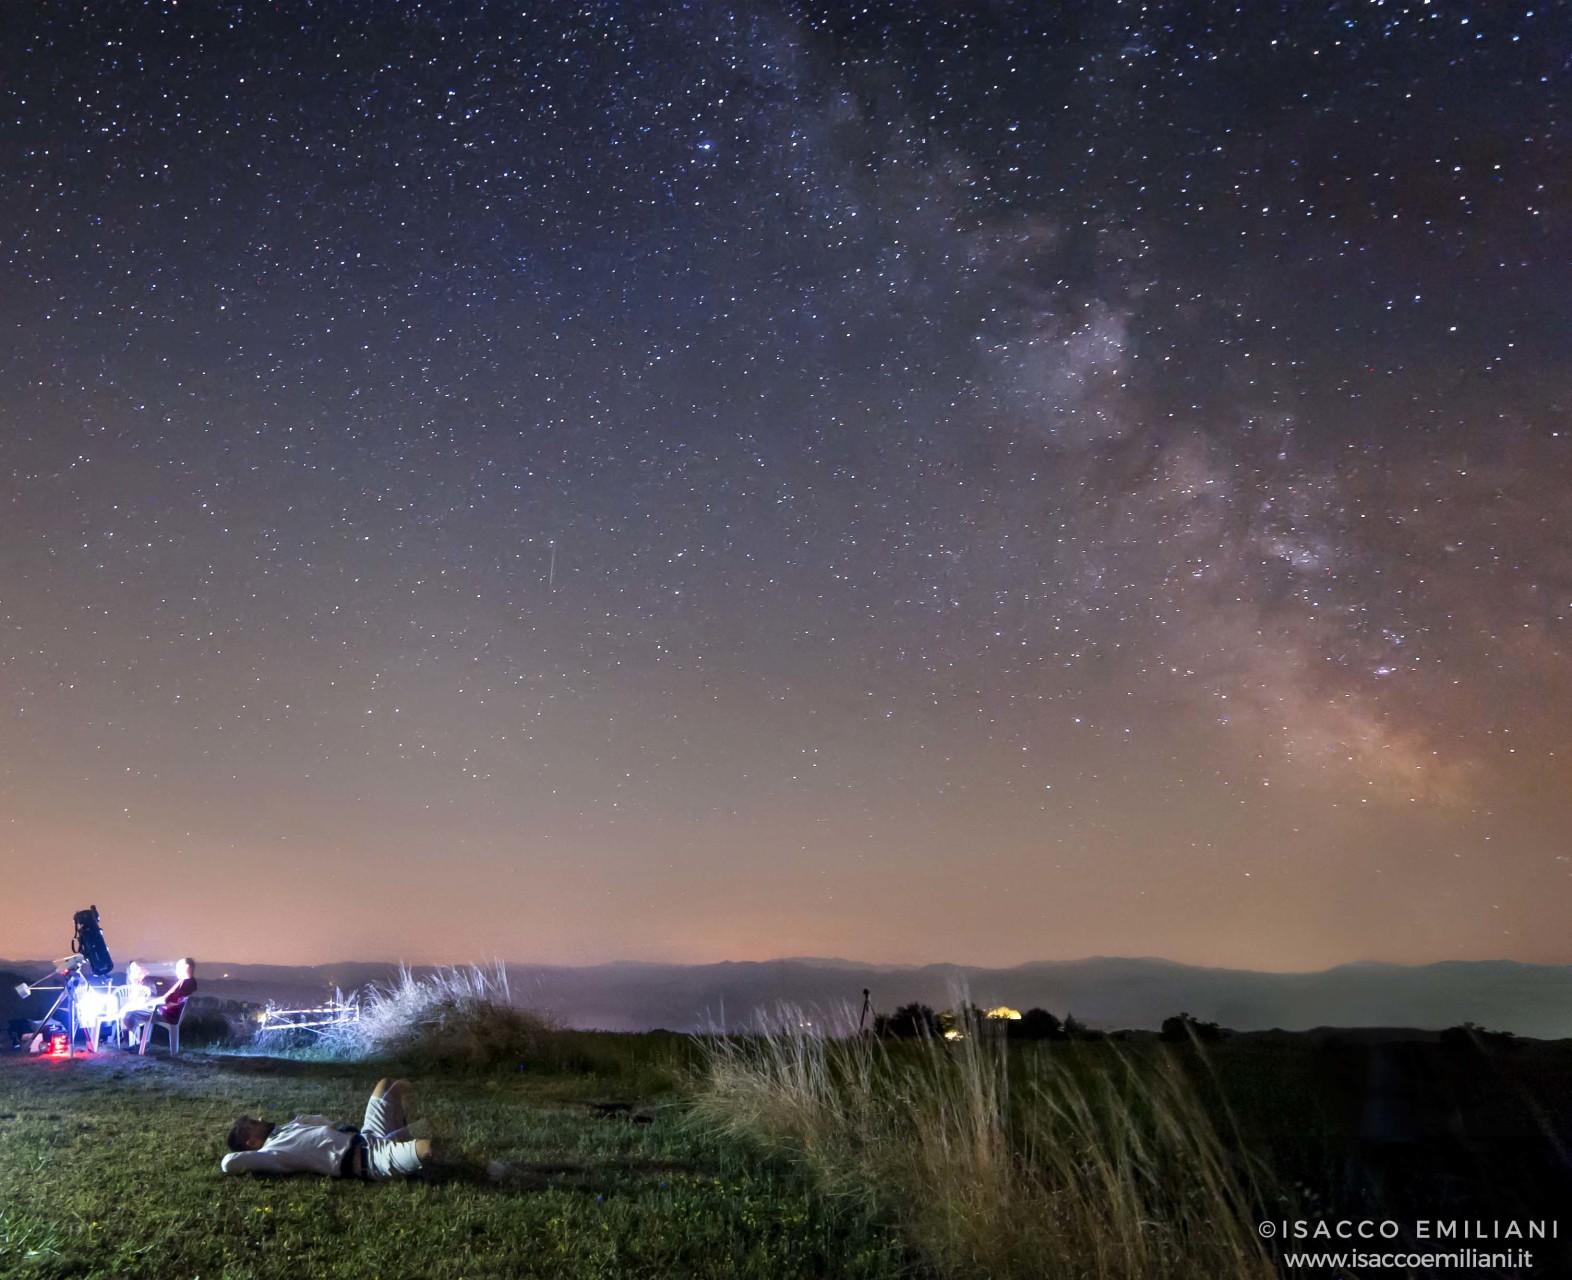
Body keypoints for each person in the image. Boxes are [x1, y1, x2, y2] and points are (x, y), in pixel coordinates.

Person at [221, 1078, 504, 1181]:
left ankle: (407, 1133)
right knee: (428, 1147)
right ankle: (493, 1169)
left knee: (388, 1086)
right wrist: (248, 1155)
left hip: (367, 1135)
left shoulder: (285, 1130)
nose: (259, 1119)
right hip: (370, 1161)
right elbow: (228, 1163)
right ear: (251, 1141)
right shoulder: (272, 1153)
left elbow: (323, 1121)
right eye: (253, 1124)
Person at [123, 956, 196, 1045]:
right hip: (169, 1012)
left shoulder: (183, 982)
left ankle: (141, 1042)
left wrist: (148, 1003)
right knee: (134, 1011)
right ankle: (141, 1042)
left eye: (178, 967)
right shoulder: (190, 982)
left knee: (129, 1015)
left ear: (186, 967)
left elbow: (165, 999)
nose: (175, 970)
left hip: (165, 1014)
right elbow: (169, 998)